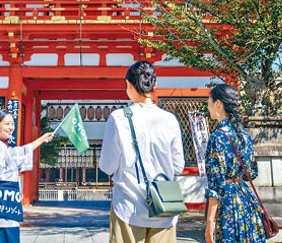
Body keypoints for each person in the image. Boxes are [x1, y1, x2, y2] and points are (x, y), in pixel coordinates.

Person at [100, 61, 185, 243]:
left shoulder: (118, 118)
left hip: (128, 204)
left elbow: (107, 165)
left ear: (129, 85)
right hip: (164, 203)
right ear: (153, 85)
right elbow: (178, 166)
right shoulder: (170, 120)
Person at [0, 109, 54, 243]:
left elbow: (21, 152)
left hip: (9, 211)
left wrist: (42, 139)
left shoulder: (4, 150)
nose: (11, 127)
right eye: (6, 124)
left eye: (12, 123)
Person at [204, 84, 265, 243]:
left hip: (228, 204)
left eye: (209, 102)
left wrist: (210, 221)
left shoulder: (217, 136)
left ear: (218, 104)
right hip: (246, 200)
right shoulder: (244, 135)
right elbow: (251, 172)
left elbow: (216, 185)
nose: (208, 106)